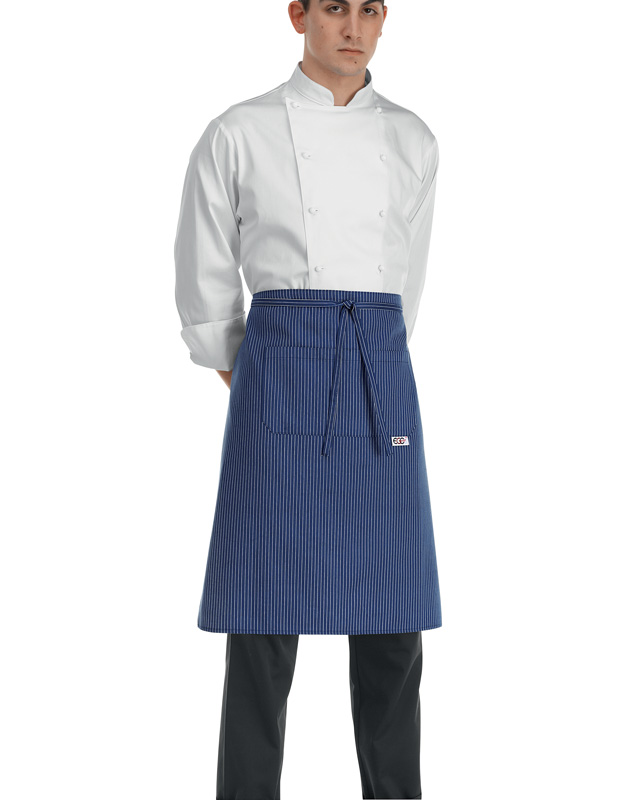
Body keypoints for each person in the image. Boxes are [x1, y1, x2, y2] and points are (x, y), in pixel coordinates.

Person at [174, 2, 442, 797]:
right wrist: (248, 364)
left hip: (378, 369)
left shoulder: (413, 138)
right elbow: (203, 265)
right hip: (277, 365)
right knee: (262, 621)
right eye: (333, 7)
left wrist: (373, 359)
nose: (352, 27)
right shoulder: (238, 131)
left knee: (392, 623)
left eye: (369, 9)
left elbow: (407, 280)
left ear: (385, 20)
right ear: (298, 14)